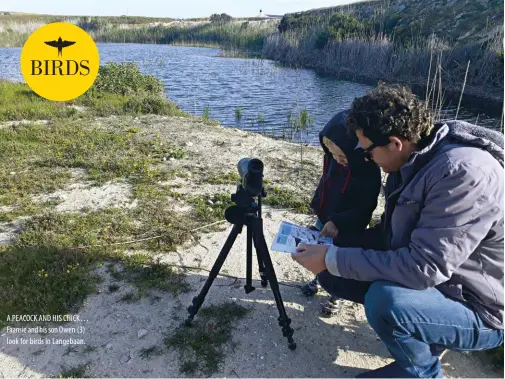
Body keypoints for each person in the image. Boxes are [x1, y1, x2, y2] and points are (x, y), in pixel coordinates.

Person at [292, 84, 504, 378]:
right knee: (334, 270)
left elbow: (423, 268)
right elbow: (392, 236)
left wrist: (332, 258)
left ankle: (424, 371)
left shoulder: (463, 173)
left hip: (479, 308)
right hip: (443, 279)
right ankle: (421, 332)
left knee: (385, 301)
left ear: (394, 143)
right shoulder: (412, 161)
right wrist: (338, 238)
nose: (366, 159)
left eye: (368, 152)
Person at [302, 110, 381, 316]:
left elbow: (366, 206)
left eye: (341, 155)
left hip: (349, 224)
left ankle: (336, 295)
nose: (336, 159)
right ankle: (318, 278)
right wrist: (319, 206)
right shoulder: (333, 158)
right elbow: (326, 184)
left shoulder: (368, 169)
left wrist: (338, 222)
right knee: (318, 249)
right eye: (331, 153)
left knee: (339, 257)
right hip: (326, 216)